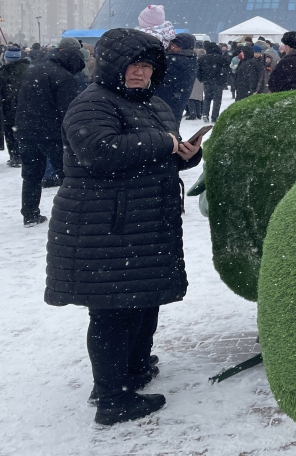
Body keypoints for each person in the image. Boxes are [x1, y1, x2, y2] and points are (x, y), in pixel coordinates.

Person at [44, 28, 205, 425]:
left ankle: (132, 369)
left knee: (143, 304)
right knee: (112, 313)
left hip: (145, 224)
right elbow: (99, 152)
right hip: (106, 227)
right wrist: (163, 143)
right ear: (115, 65)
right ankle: (111, 397)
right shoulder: (92, 103)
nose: (140, 71)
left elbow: (160, 153)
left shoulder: (154, 104)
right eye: (133, 64)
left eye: (147, 64)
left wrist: (186, 154)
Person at [15, 38, 85, 226]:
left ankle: (29, 213)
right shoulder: (63, 77)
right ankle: (71, 213)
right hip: (51, 134)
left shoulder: (34, 70)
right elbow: (68, 111)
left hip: (25, 130)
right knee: (67, 174)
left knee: (31, 174)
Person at [151, 33, 199, 123]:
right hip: (177, 101)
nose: (169, 47)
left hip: (165, 101)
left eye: (173, 45)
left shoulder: (174, 60)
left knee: (164, 128)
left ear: (181, 46)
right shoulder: (191, 59)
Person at [0, 44, 31, 167]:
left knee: (10, 131)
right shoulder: (29, 69)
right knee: (23, 132)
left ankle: (14, 156)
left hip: (7, 107)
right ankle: (24, 155)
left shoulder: (3, 72)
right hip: (25, 106)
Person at [197, 41, 231, 122]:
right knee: (217, 100)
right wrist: (224, 80)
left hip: (207, 81)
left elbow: (198, 71)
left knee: (207, 99)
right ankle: (214, 116)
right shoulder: (222, 59)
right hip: (218, 82)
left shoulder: (202, 59)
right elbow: (227, 69)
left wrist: (201, 78)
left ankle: (205, 114)